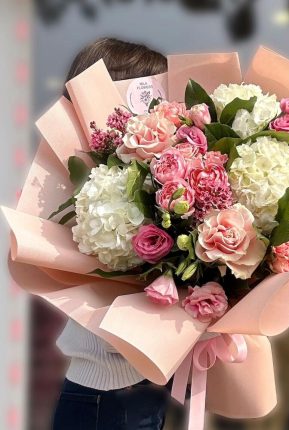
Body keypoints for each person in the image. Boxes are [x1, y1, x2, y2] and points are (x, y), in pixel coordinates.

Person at [52, 38, 170, 430]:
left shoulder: (150, 187)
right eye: (151, 97)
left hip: (135, 392)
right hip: (106, 396)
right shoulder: (86, 196)